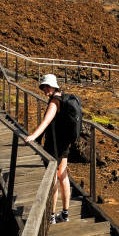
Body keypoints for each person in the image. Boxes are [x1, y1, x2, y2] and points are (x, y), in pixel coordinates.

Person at [24, 73, 71, 224]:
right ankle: (65, 213)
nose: (45, 90)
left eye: (47, 87)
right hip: (64, 144)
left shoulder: (54, 102)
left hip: (54, 146)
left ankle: (52, 216)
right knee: (63, 176)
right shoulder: (63, 97)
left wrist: (33, 136)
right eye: (43, 87)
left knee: (53, 180)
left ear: (53, 86)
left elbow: (46, 121)